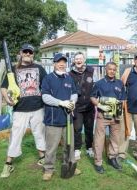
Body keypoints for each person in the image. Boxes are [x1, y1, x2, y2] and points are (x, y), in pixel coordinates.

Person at [0, 43, 47, 178]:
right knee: (15, 136)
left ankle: (42, 157)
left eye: (30, 52)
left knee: (39, 134)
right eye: (25, 51)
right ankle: (8, 164)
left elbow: (47, 84)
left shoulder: (39, 68)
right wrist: (7, 99)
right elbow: (4, 87)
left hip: (38, 108)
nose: (27, 54)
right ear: (21, 53)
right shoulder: (13, 69)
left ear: (33, 54)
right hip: (20, 109)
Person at [41, 53, 81, 181]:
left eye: (64, 62)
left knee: (69, 145)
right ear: (54, 63)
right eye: (59, 62)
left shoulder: (69, 78)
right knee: (51, 147)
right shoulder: (48, 78)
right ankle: (48, 169)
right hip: (53, 120)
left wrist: (72, 102)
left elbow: (74, 93)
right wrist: (61, 103)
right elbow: (45, 97)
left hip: (67, 119)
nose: (62, 64)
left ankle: (70, 164)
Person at [90, 62, 126, 174]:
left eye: (114, 69)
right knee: (99, 139)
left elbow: (123, 99)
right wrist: (100, 105)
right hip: (103, 115)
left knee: (115, 138)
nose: (112, 71)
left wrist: (119, 108)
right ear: (106, 69)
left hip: (116, 115)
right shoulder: (99, 83)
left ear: (116, 71)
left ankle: (112, 158)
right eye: (109, 69)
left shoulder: (120, 83)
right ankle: (98, 162)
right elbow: (92, 97)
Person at [69, 52, 95, 160]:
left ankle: (89, 147)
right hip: (77, 107)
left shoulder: (91, 71)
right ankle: (77, 149)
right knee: (77, 129)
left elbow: (96, 85)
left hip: (89, 106)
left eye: (80, 59)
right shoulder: (69, 74)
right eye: (76, 59)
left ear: (84, 60)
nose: (78, 61)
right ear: (74, 61)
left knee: (89, 129)